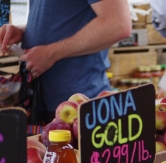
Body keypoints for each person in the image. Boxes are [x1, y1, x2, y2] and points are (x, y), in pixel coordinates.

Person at [0, 0, 131, 118]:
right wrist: (25, 31)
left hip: (80, 105)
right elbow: (64, 17)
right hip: (40, 102)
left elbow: (118, 24)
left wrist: (51, 53)